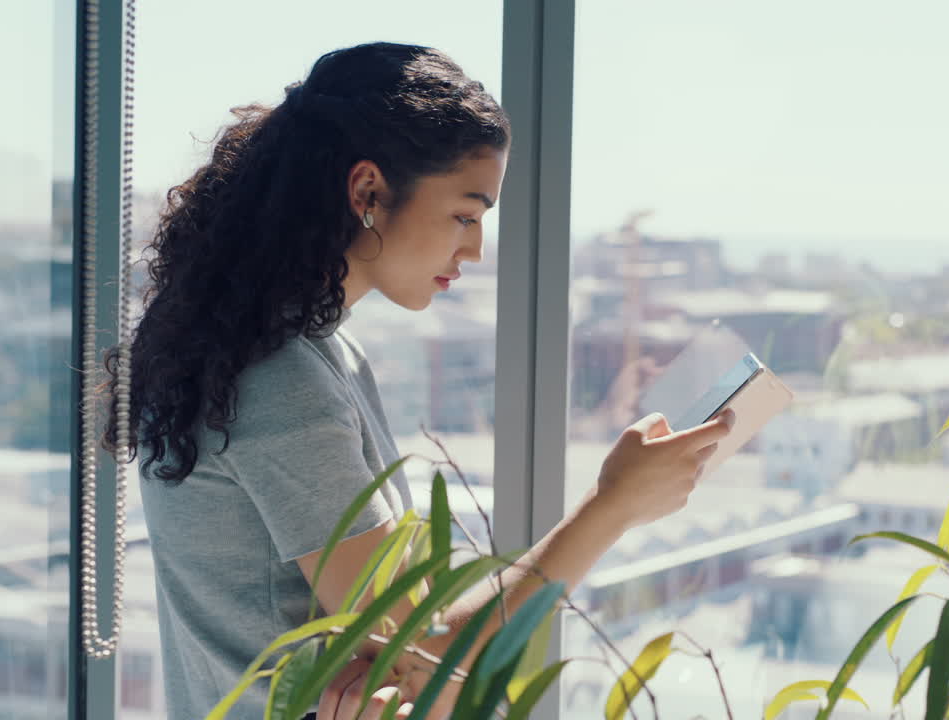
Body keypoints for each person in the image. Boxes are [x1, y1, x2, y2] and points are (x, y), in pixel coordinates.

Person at [112, 42, 733, 720]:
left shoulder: (311, 352)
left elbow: (400, 649)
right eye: (465, 215)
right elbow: (423, 663)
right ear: (368, 192)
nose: (473, 250)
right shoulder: (281, 381)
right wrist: (611, 505)